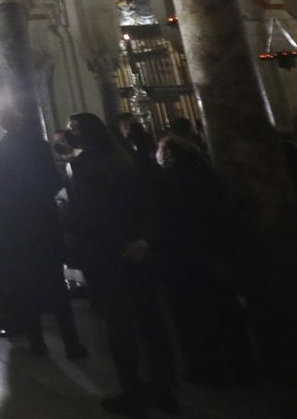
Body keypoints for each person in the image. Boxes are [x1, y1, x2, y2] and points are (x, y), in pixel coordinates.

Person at [67, 113, 177, 417]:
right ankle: (165, 388)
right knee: (151, 320)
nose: (68, 132)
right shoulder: (125, 156)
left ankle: (133, 392)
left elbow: (92, 213)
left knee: (119, 326)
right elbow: (144, 202)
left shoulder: (83, 164)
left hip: (109, 254)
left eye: (72, 128)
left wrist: (121, 244)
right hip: (139, 252)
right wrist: (141, 241)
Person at [150, 134, 250, 386]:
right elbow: (227, 215)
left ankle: (203, 367)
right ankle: (242, 365)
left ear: (168, 154)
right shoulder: (211, 177)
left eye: (160, 150)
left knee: (190, 316)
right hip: (214, 253)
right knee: (226, 309)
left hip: (180, 257)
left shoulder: (162, 181)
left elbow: (158, 223)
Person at [0, 111, 86, 359]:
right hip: (43, 225)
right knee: (56, 287)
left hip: (16, 230)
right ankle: (72, 343)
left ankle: (37, 343)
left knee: (25, 287)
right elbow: (52, 182)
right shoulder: (38, 146)